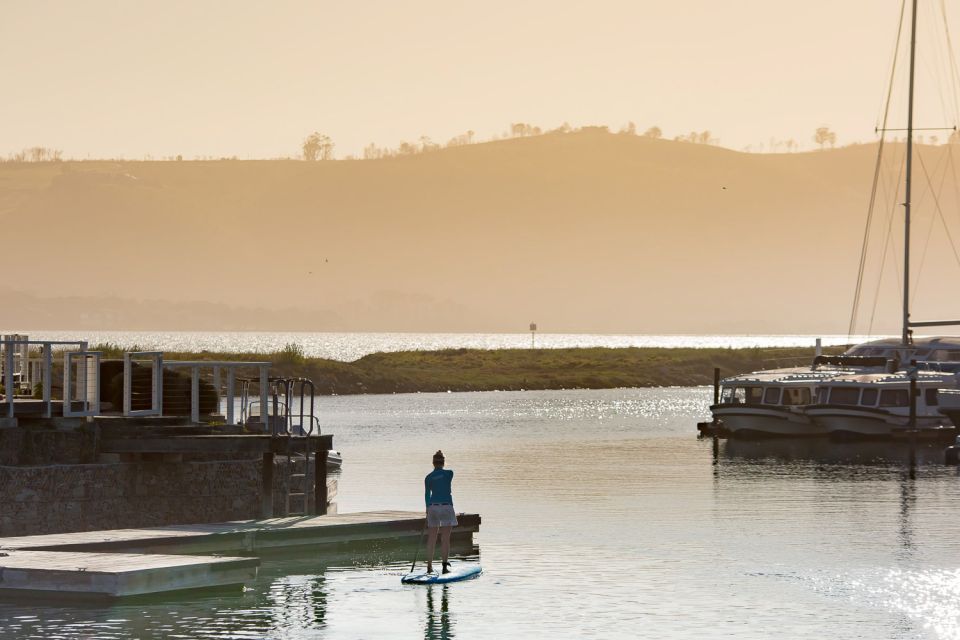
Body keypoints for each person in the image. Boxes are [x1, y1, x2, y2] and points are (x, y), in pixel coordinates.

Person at [424, 449, 457, 574]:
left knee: (432, 538)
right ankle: (444, 566)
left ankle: (429, 566)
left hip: (433, 506)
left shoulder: (428, 478)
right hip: (446, 507)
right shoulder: (449, 474)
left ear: (433, 463)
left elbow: (427, 495)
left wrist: (427, 508)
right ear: (443, 462)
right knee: (445, 538)